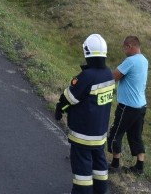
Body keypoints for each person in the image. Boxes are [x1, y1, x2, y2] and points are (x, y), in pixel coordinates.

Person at [55, 34, 116, 194]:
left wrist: (60, 107)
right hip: (100, 134)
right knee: (99, 166)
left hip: (83, 134)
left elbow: (70, 97)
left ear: (87, 52)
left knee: (82, 170)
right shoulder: (109, 74)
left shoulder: (87, 76)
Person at [107, 35, 148, 174]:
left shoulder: (130, 61)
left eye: (124, 47)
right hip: (141, 106)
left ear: (130, 46)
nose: (124, 50)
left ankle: (114, 164)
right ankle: (139, 167)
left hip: (127, 106)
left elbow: (114, 77)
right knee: (136, 135)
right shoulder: (144, 60)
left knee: (115, 133)